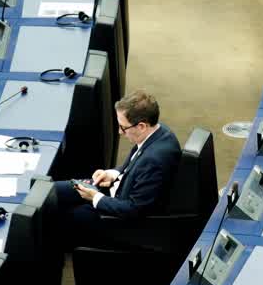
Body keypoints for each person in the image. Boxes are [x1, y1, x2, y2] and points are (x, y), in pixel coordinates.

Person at [54, 90, 181, 231]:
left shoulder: (154, 160)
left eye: (123, 127)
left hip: (114, 216)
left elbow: (134, 209)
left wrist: (95, 197)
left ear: (142, 126)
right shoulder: (158, 131)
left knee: (57, 217)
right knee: (50, 191)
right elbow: (135, 166)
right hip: (113, 190)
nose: (120, 132)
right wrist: (113, 174)